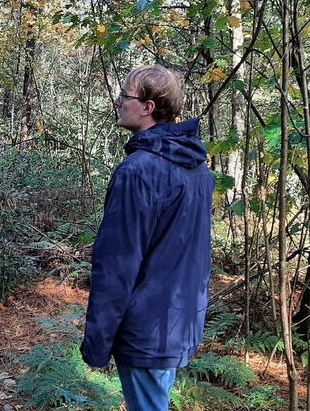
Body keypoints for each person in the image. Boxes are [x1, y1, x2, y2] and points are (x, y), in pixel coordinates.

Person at [80, 65, 214, 411]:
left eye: (125, 96)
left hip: (147, 331)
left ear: (148, 107)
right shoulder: (198, 170)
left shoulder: (137, 171)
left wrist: (97, 344)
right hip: (178, 323)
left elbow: (116, 266)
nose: (119, 102)